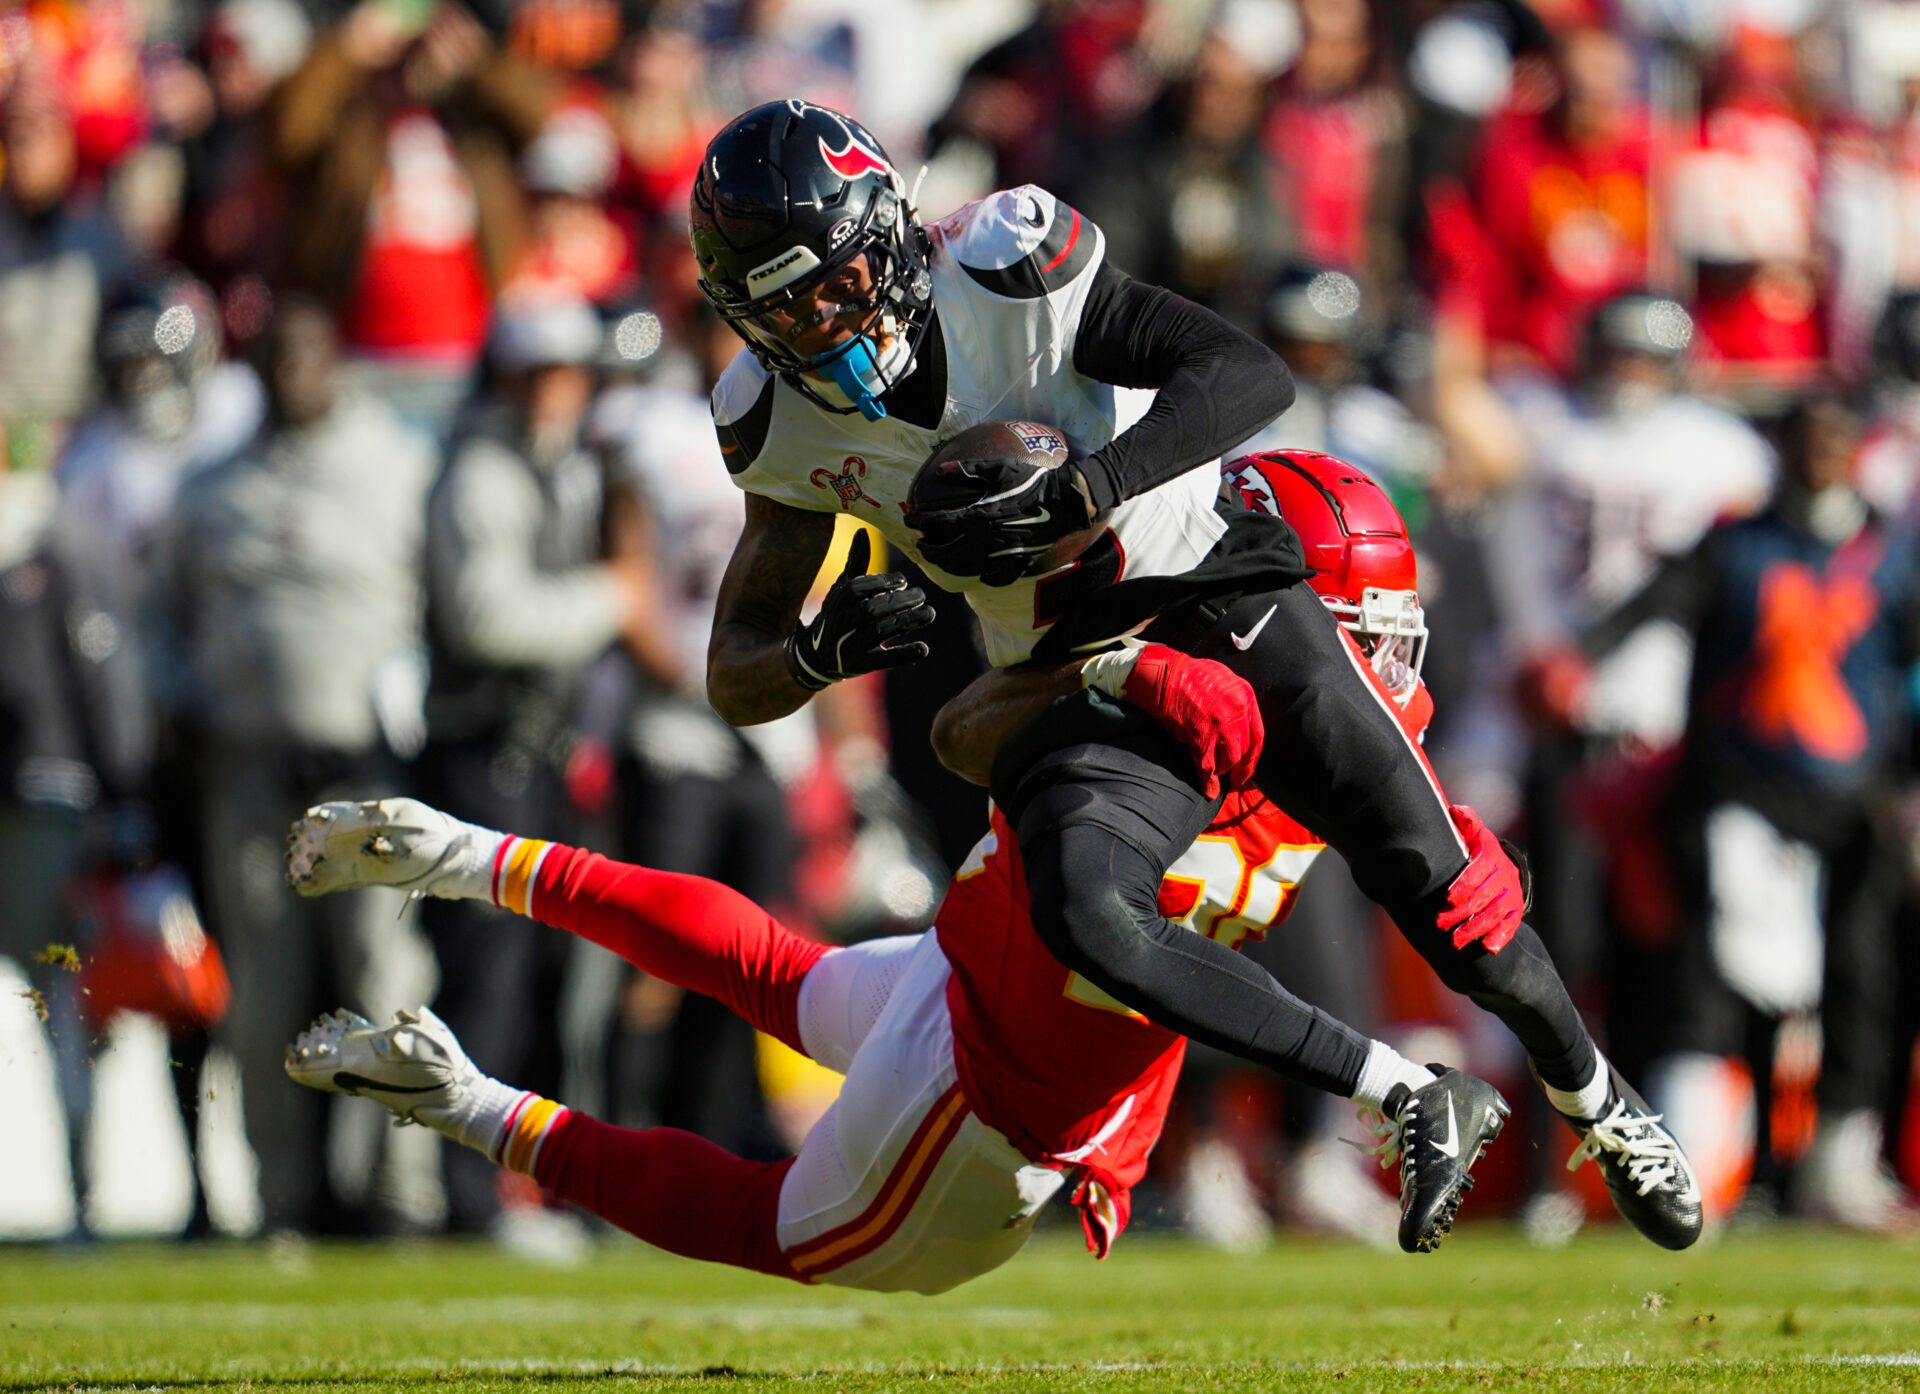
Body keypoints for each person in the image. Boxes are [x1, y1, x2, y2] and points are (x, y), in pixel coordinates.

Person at [688, 99, 1700, 1248]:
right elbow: (737, 670)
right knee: (1085, 911)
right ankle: (1407, 1095)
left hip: (1221, 591)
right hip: (1076, 678)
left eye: (835, 281)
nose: (822, 322)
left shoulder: (1005, 268)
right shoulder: (777, 424)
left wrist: (1089, 487)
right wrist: (818, 650)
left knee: (1441, 883)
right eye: (783, 307)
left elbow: (1240, 373)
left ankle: (1603, 1104)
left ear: (890, 233)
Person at [278, 455, 1506, 1277]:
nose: (1378, 663)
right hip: (1007, 1097)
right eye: (1356, 631)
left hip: (977, 972)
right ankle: (462, 1101)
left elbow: (983, 721)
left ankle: (468, 855)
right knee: (780, 1223)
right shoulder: (1257, 739)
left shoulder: (1177, 667)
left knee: (776, 970)